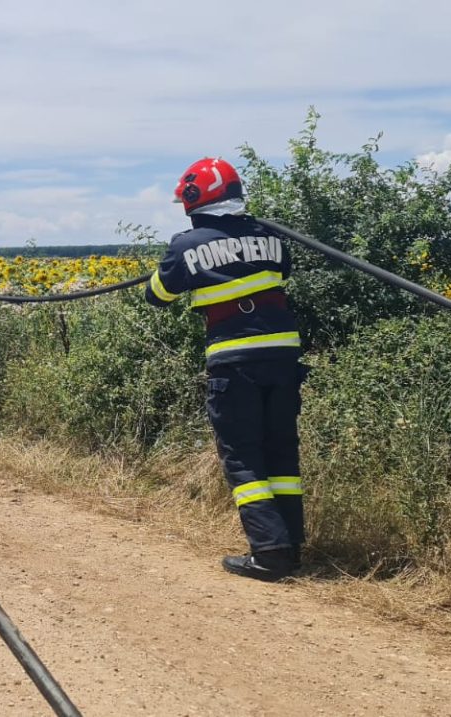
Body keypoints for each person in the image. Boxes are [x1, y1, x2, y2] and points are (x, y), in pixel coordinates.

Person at [144, 157, 307, 581]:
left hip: (235, 361)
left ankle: (269, 553)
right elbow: (283, 270)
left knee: (243, 456)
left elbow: (157, 296)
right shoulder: (270, 236)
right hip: (284, 357)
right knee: (281, 452)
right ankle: (291, 546)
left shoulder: (186, 245)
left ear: (194, 199)